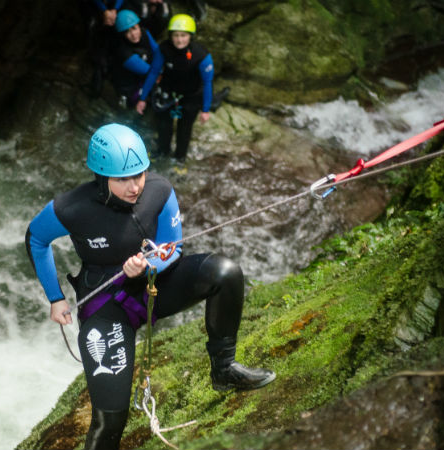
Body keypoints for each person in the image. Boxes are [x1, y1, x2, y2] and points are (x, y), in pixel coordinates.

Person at [25, 124, 276, 450]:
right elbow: (36, 238)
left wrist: (149, 265)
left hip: (154, 284)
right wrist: (55, 298)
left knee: (225, 272)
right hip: (106, 304)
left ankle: (224, 370)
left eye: (139, 175)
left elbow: (173, 246)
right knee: (111, 418)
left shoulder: (159, 190)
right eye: (123, 179)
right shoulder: (71, 208)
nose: (134, 187)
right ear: (102, 177)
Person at [154, 13, 213, 161]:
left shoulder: (201, 55)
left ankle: (180, 158)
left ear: (190, 36)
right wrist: (142, 99)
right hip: (168, 92)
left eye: (183, 35)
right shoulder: (164, 49)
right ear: (171, 36)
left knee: (184, 130)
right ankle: (162, 151)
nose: (179, 40)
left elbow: (207, 83)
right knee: (163, 126)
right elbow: (154, 72)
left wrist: (205, 109)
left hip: (191, 96)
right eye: (176, 35)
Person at [109, 10, 164, 115]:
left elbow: (158, 52)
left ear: (139, 26)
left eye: (134, 28)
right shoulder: (123, 52)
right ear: (123, 35)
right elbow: (150, 72)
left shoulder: (144, 33)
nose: (133, 34)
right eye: (127, 32)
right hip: (130, 86)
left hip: (144, 74)